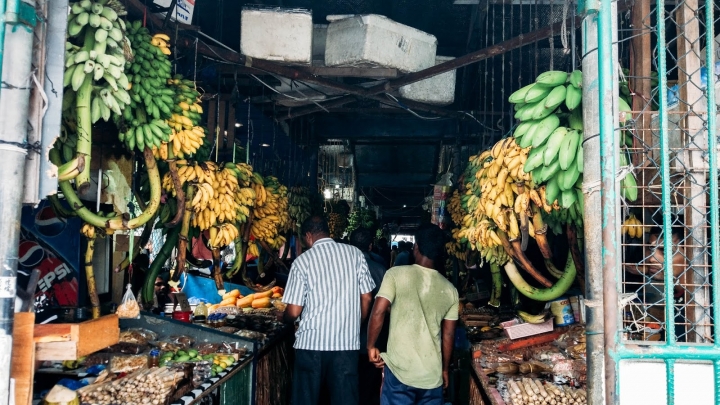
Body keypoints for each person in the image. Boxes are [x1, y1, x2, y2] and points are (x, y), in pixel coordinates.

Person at [281, 216, 375, 405]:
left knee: (305, 400)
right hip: (346, 345)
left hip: (310, 345)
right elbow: (367, 297)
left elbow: (293, 311)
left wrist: (284, 318)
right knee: (345, 399)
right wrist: (357, 323)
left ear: (308, 236)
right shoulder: (355, 254)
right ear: (327, 231)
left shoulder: (302, 262)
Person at [367, 224, 459, 405]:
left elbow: (378, 311)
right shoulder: (451, 290)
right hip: (432, 376)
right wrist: (445, 369)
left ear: (416, 247)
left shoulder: (395, 274)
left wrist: (371, 346)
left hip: (400, 372)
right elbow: (448, 334)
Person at [624, 225, 687, 341]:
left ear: (690, 254)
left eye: (665, 251)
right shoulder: (675, 293)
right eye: (651, 249)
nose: (652, 258)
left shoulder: (703, 302)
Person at [349, 228, 388, 405]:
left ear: (350, 244)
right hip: (373, 339)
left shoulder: (343, 267)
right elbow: (385, 308)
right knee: (370, 387)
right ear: (371, 246)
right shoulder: (380, 269)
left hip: (346, 338)